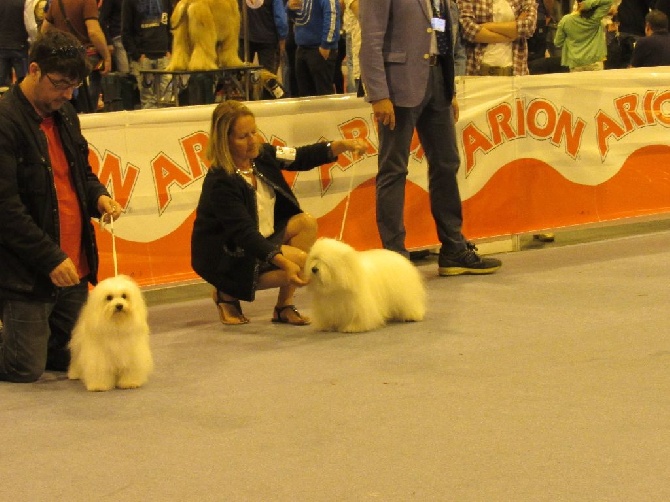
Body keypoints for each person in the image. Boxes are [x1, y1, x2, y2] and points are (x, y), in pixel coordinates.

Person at [0, 30, 123, 383]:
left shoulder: (66, 113)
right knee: (25, 367)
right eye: (60, 85)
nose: (68, 94)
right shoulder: (5, 122)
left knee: (72, 356)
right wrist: (49, 258)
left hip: (74, 266)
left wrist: (98, 196)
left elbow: (81, 172)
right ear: (33, 69)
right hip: (27, 273)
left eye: (74, 87)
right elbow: (5, 209)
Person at [358, 0, 502, 275]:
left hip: (438, 81)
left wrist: (451, 90)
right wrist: (378, 93)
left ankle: (454, 249)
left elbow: (443, 36)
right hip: (397, 87)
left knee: (447, 164)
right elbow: (371, 41)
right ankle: (395, 257)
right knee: (393, 169)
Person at [191, 100, 366, 326]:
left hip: (262, 238)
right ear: (225, 141)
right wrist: (283, 261)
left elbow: (300, 156)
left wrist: (340, 145)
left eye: (254, 132)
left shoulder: (262, 154)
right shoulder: (221, 182)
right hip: (229, 253)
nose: (252, 140)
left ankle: (284, 306)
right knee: (305, 262)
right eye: (243, 137)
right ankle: (225, 293)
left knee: (306, 223)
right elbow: (244, 234)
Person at [41, 0, 112, 112]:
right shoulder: (87, 2)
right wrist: (107, 57)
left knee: (67, 103)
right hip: (85, 60)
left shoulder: (56, 2)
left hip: (63, 60)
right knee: (88, 106)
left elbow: (45, 29)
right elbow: (94, 32)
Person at [459, 0, 537, 76]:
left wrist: (483, 27)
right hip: (478, 69)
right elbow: (466, 28)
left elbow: (529, 26)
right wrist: (512, 33)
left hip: (515, 70)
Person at [122, 0, 172, 109]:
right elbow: (125, 32)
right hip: (143, 57)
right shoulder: (129, 2)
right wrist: (136, 55)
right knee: (147, 100)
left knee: (165, 99)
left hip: (163, 55)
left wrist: (170, 50)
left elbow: (171, 25)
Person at [287, 0, 341, 96]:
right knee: (304, 94)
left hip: (320, 48)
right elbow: (295, 17)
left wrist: (326, 44)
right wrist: (289, 8)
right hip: (301, 47)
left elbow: (332, 16)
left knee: (324, 94)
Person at [554, 0, 614, 72]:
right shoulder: (595, 19)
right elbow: (608, 1)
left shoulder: (566, 20)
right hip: (595, 62)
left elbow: (557, 43)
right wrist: (588, 4)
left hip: (575, 63)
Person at [238, 0, 288, 75]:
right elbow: (280, 18)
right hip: (268, 39)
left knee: (241, 75)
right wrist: (282, 37)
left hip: (244, 37)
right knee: (268, 78)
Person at [0, 0, 39, 87]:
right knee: (23, 84)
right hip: (19, 46)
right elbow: (31, 27)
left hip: (1, 45)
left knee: (1, 83)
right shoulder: (26, 1)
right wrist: (34, 42)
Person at [100, 0, 130, 74]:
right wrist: (108, 42)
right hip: (118, 36)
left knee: (139, 75)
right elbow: (102, 20)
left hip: (134, 38)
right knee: (125, 73)